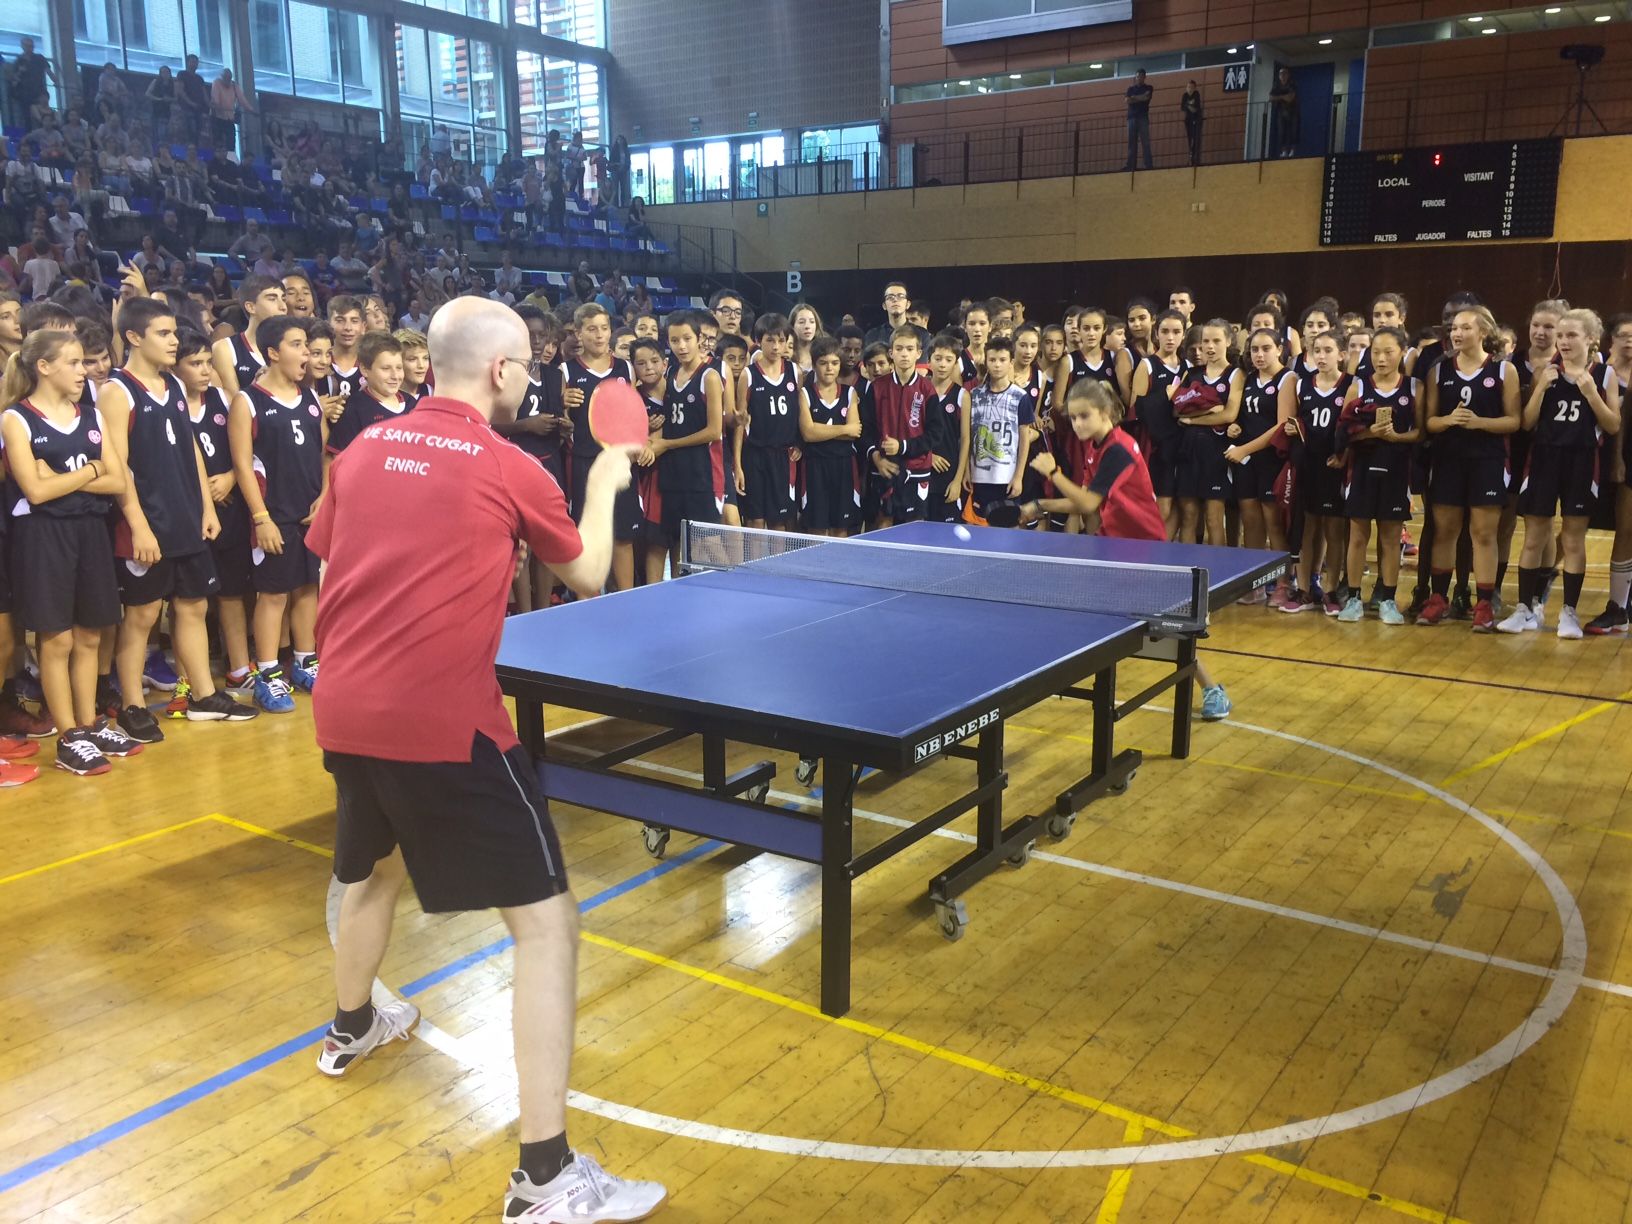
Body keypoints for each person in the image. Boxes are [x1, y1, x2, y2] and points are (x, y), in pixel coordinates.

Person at [308, 294, 664, 1221]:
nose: (531, 378)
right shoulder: (508, 464)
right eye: (527, 366)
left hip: (345, 706)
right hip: (448, 722)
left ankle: (352, 1027)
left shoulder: (360, 451)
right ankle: (545, 1176)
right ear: (501, 371)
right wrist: (606, 477)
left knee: (375, 871)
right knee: (548, 926)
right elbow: (586, 573)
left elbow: (327, 561)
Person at [1021, 379, 1231, 719]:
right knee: (1089, 612)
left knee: (1169, 631)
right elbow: (1083, 499)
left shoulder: (1119, 448)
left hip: (1144, 552)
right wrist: (1038, 505)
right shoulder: (1097, 447)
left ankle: (1212, 690)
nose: (1076, 425)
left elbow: (1089, 502)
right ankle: (1081, 679)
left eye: (1083, 416)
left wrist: (1054, 472)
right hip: (1113, 546)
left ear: (1104, 413)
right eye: (1072, 418)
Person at [98, 297, 255, 742]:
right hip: (146, 523)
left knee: (193, 605)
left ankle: (203, 695)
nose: (172, 342)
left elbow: (191, 450)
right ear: (133, 337)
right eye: (163, 334)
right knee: (143, 616)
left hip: (187, 515)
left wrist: (205, 506)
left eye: (172, 333)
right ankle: (131, 704)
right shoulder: (118, 390)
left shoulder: (172, 385)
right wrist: (138, 524)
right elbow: (119, 467)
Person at [0, 329, 138, 774]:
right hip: (43, 538)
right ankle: (68, 735)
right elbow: (36, 493)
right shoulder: (16, 419)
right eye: (75, 363)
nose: (85, 371)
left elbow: (117, 481)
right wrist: (91, 470)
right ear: (44, 366)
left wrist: (70, 474)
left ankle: (89, 720)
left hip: (90, 532)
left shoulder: (92, 414)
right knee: (55, 639)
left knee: (90, 634)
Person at [1500, 308, 1621, 637]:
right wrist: (1540, 388)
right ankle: (1526, 609)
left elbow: (1612, 424)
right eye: (1561, 335)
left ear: (1590, 340)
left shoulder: (1603, 374)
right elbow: (1526, 422)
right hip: (1543, 459)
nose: (1563, 341)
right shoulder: (1545, 371)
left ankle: (1569, 613)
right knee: (1534, 537)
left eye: (1571, 335)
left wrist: (1591, 393)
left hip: (1582, 461)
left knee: (1572, 539)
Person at [227, 314, 326, 713]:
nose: (306, 353)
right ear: (273, 352)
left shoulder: (311, 397)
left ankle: (305, 661)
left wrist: (325, 498)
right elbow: (242, 464)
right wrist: (261, 517)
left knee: (307, 590)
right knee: (272, 596)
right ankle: (268, 674)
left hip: (310, 513)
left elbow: (321, 456)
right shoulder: (248, 401)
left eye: (307, 345)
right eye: (298, 345)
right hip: (273, 516)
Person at [1418, 305, 1519, 629]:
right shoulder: (1439, 370)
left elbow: (1514, 421)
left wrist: (1479, 423)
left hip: (1487, 461)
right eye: (1454, 329)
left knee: (1483, 533)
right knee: (1445, 531)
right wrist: (1448, 420)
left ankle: (1484, 604)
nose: (1457, 334)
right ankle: (1438, 599)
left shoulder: (1503, 371)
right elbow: (1430, 422)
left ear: (1484, 333)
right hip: (1448, 460)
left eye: (1465, 328)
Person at [1334, 326, 1419, 624]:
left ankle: (1388, 600)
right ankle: (1354, 598)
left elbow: (1422, 431)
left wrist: (1398, 437)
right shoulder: (1358, 386)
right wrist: (1369, 431)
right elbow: (1343, 432)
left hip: (1397, 470)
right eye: (1376, 352)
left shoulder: (1413, 387)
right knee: (1358, 535)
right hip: (1362, 469)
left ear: (1403, 352)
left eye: (1388, 352)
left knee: (1391, 538)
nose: (1381, 358)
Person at [562, 303, 639, 590]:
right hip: (584, 463)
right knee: (588, 536)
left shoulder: (624, 367)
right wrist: (563, 408)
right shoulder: (566, 371)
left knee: (622, 537)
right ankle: (587, 601)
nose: (599, 335)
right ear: (578, 333)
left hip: (618, 462)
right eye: (592, 329)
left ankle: (627, 599)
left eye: (604, 328)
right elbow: (563, 423)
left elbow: (632, 413)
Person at [645, 310, 724, 570]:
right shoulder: (670, 377)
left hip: (701, 473)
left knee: (710, 544)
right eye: (675, 340)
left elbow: (714, 431)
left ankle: (734, 593)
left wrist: (668, 444)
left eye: (687, 339)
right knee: (678, 543)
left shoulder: (709, 376)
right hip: (673, 474)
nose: (681, 346)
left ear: (699, 339)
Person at [1224, 327, 1297, 604]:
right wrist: (1235, 428)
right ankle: (1255, 582)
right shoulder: (1249, 378)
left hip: (1270, 460)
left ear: (1280, 349)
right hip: (1246, 460)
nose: (1260, 354)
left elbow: (1281, 425)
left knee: (1273, 523)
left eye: (1266, 348)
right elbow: (1245, 417)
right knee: (1250, 520)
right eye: (1255, 349)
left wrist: (1245, 447)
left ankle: (1282, 583)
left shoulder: (1287, 378)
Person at [1282, 330, 1349, 614]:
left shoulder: (1352, 386)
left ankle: (1331, 589)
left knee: (1334, 530)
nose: (1321, 356)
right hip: (1308, 466)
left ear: (1342, 354)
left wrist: (1345, 455)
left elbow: (1352, 427)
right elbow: (1292, 422)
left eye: (1328, 350)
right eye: (1316, 350)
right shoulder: (1301, 385)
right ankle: (1304, 589)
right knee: (1307, 528)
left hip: (1335, 467)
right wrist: (1291, 428)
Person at [1171, 318, 1242, 546]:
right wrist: (1208, 411)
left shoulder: (1235, 374)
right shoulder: (1191, 374)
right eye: (1205, 342)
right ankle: (1188, 573)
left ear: (1228, 341)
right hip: (1188, 451)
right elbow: (1176, 411)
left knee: (1213, 518)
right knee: (1189, 516)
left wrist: (1192, 419)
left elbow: (1229, 415)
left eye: (1216, 341)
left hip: (1216, 453)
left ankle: (1217, 576)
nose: (1210, 347)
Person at [736, 313, 800, 530]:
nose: (776, 346)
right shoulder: (748, 374)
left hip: (783, 455)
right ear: (758, 341)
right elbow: (739, 423)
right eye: (770, 340)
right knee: (755, 519)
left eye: (781, 340)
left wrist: (800, 443)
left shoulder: (794, 371)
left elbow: (801, 411)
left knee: (779, 521)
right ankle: (756, 565)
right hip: (755, 454)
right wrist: (737, 463)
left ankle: (776, 565)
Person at [798, 334, 863, 538]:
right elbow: (808, 433)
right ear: (815, 365)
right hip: (815, 466)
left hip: (844, 465)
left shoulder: (849, 393)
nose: (829, 368)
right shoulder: (805, 394)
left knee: (840, 527)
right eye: (823, 363)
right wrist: (842, 429)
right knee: (817, 528)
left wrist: (823, 431)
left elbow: (856, 432)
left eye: (834, 363)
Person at [963, 334, 1033, 521]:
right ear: (986, 361)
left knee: (1009, 528)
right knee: (981, 527)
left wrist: (1019, 476)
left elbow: (1024, 439)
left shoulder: (1020, 397)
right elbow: (969, 437)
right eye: (992, 360)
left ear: (1011, 362)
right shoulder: (974, 395)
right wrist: (967, 471)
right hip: (980, 477)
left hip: (1007, 477)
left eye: (1002, 360)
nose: (997, 364)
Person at [327, 331, 410, 455]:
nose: (395, 376)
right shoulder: (354, 410)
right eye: (386, 368)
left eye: (399, 368)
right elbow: (334, 458)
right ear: (365, 370)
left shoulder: (413, 404)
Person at [924, 331, 972, 523]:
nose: (942, 364)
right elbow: (914, 432)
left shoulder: (962, 395)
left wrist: (958, 480)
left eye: (948, 359)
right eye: (938, 358)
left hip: (949, 476)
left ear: (956, 363)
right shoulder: (920, 390)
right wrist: (929, 456)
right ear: (929, 361)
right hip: (922, 472)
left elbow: (966, 438)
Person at [212, 273, 286, 396]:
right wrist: (256, 384)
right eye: (272, 299)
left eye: (283, 299)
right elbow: (233, 403)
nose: (283, 306)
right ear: (251, 307)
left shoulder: (292, 346)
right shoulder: (225, 348)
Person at [209, 68, 251, 152]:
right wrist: (220, 109)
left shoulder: (234, 86)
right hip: (217, 117)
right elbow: (215, 99)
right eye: (226, 78)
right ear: (222, 77)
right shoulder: (216, 83)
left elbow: (242, 99)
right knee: (218, 140)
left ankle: (231, 158)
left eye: (229, 78)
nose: (228, 80)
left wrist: (251, 110)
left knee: (231, 141)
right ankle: (218, 156)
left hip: (229, 118)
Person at [1124, 69, 1155, 172]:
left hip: (1142, 117)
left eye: (1141, 76)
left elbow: (1146, 98)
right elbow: (1127, 100)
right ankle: (1131, 166)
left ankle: (1148, 165)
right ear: (1135, 77)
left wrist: (1134, 98)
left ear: (1144, 77)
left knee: (1145, 142)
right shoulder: (1130, 88)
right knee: (1131, 143)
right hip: (1132, 117)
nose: (1139, 78)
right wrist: (1140, 97)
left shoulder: (1148, 87)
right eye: (1137, 77)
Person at [1271, 67, 1299, 158]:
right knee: (1281, 132)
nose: (1283, 76)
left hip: (1292, 111)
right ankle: (1283, 151)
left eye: (1284, 74)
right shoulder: (1276, 85)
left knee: (1293, 131)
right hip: (1281, 111)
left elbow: (1290, 98)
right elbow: (1271, 97)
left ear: (1288, 75)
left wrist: (1279, 97)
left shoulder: (1292, 84)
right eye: (1281, 74)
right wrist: (1283, 97)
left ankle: (1292, 150)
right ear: (1279, 76)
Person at [1181, 79, 1204, 166]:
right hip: (1188, 120)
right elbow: (1183, 107)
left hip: (1196, 120)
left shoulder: (1196, 94)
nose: (1189, 89)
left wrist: (1188, 105)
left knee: (1196, 139)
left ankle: (1195, 159)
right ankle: (1191, 158)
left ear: (1195, 88)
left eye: (1191, 87)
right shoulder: (1184, 95)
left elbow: (1195, 109)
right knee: (1190, 140)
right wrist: (1189, 105)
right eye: (1188, 87)